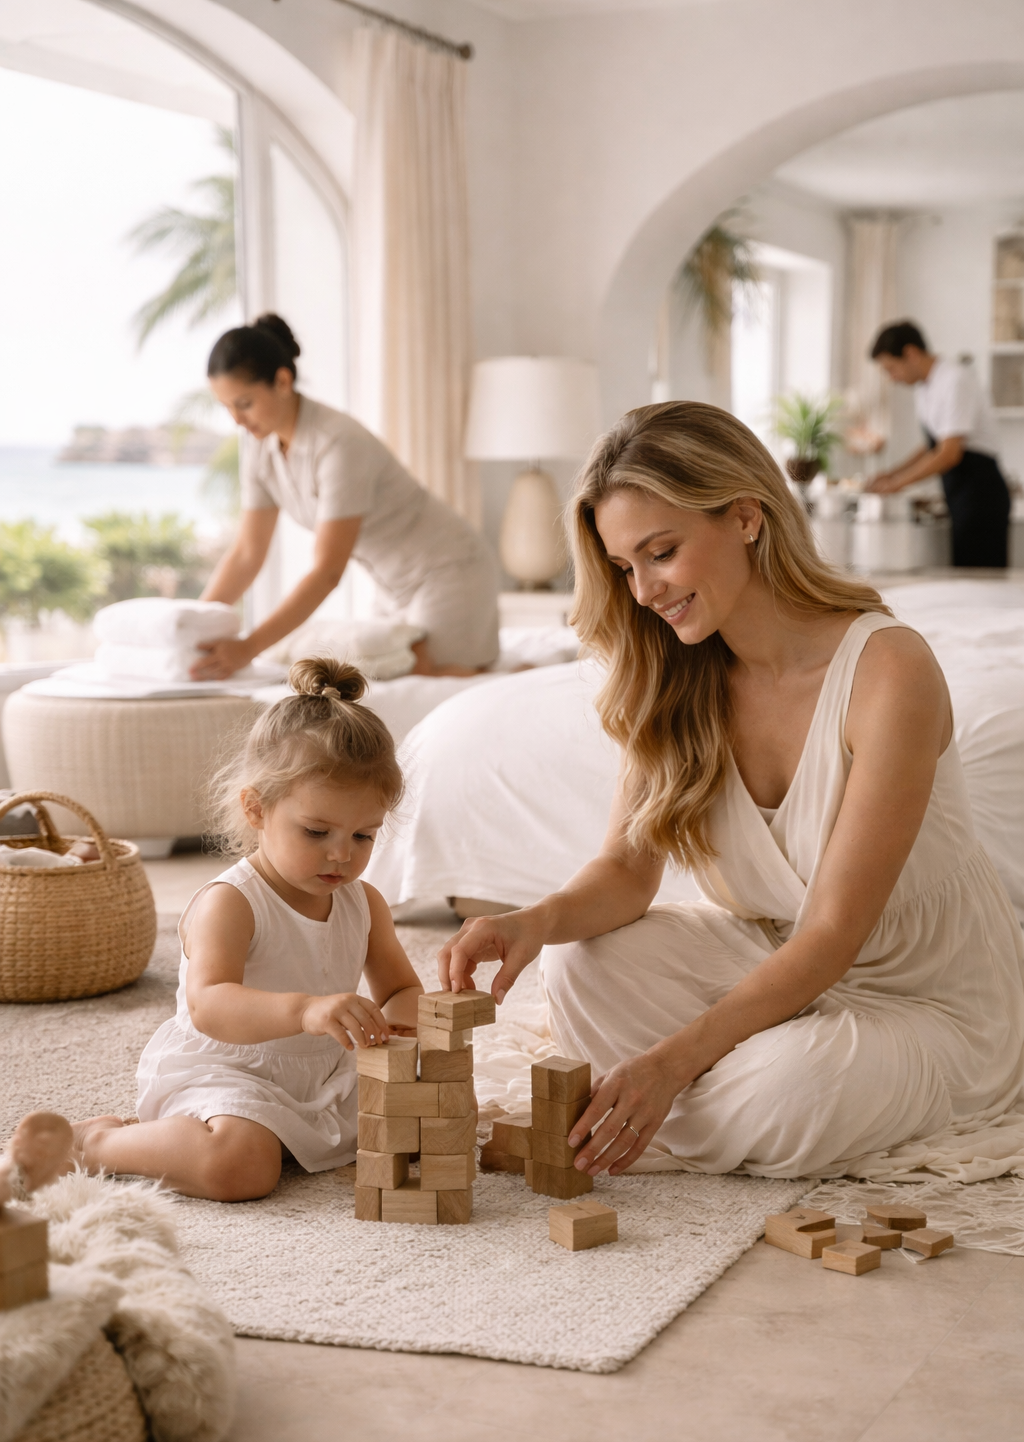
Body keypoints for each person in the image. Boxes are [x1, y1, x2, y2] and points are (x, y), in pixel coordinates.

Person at [440, 402, 1024, 1180]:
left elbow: (832, 936)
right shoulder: (672, 671)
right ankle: (721, 1099)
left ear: (747, 517)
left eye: (662, 552)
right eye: (624, 568)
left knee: (796, 1088)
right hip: (773, 959)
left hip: (925, 1002)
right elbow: (625, 872)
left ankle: (685, 1110)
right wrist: (528, 921)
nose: (643, 591)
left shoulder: (888, 671)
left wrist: (671, 1063)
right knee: (577, 964)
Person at [69, 658, 424, 1201]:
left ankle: (291, 1130)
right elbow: (210, 1005)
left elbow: (401, 989)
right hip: (230, 1070)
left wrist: (396, 1038)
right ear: (257, 809)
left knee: (425, 1116)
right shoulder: (231, 903)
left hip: (324, 1071)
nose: (341, 853)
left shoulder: (364, 903)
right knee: (240, 1168)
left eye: (363, 836)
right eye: (316, 831)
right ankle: (96, 1143)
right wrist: (305, 1009)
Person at [193, 314, 500, 680]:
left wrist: (248, 647)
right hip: (391, 585)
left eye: (243, 403)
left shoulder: (339, 443)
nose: (236, 421)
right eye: (226, 407)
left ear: (282, 380)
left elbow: (327, 571)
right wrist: (191, 626)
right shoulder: (261, 450)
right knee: (395, 671)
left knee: (432, 678)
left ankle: (522, 676)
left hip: (450, 570)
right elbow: (247, 553)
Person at [866, 320, 1011, 568]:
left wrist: (897, 484)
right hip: (960, 493)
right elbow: (932, 445)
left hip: (980, 494)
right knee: (964, 578)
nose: (892, 378)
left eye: (892, 368)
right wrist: (890, 473)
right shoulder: (925, 388)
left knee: (980, 584)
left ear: (911, 353)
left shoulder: (954, 379)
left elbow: (949, 454)